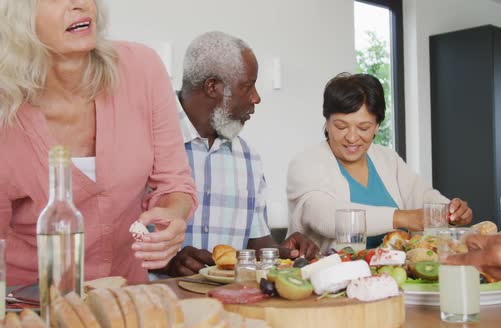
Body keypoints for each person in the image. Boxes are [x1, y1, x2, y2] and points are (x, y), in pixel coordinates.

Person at [0, 0, 197, 285]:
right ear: (19, 17)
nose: (79, 4)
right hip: (31, 302)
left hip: (124, 296)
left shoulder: (141, 69)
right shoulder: (7, 108)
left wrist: (172, 215)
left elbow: (175, 183)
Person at [158, 31, 319, 277]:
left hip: (230, 307)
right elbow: (108, 236)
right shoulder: (146, 139)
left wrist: (284, 251)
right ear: (212, 87)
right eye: (248, 86)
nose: (257, 97)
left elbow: (255, 245)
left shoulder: (248, 159)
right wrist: (164, 261)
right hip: (159, 306)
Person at [287, 73, 473, 251]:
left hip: (399, 275)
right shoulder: (306, 163)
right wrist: (402, 218)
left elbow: (423, 196)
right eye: (341, 126)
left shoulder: (387, 159)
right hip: (336, 276)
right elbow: (325, 216)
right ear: (327, 123)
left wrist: (450, 211)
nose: (352, 137)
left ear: (377, 127)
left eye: (363, 127)